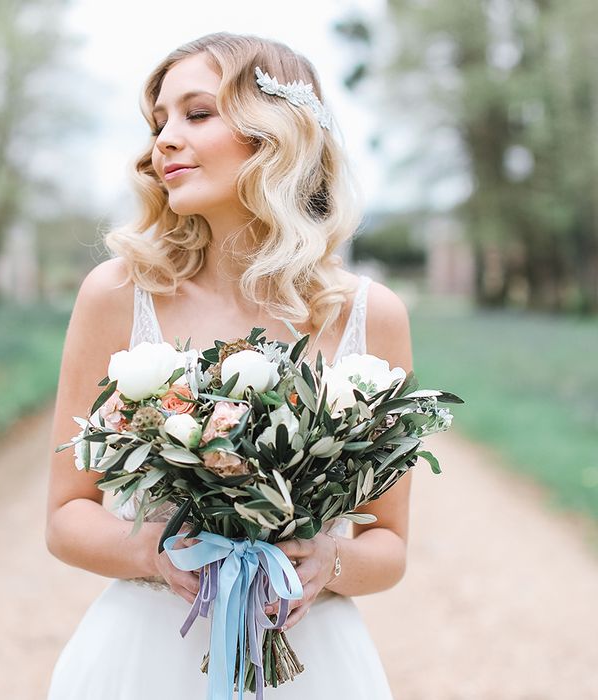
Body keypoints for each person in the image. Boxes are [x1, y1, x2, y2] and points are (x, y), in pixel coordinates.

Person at [45, 32, 412, 699]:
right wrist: (152, 554)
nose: (164, 141)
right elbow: (67, 514)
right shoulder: (118, 297)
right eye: (159, 122)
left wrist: (328, 559)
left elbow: (388, 544)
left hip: (313, 663)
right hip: (146, 656)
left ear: (276, 134)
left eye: (197, 113)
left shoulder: (371, 315)